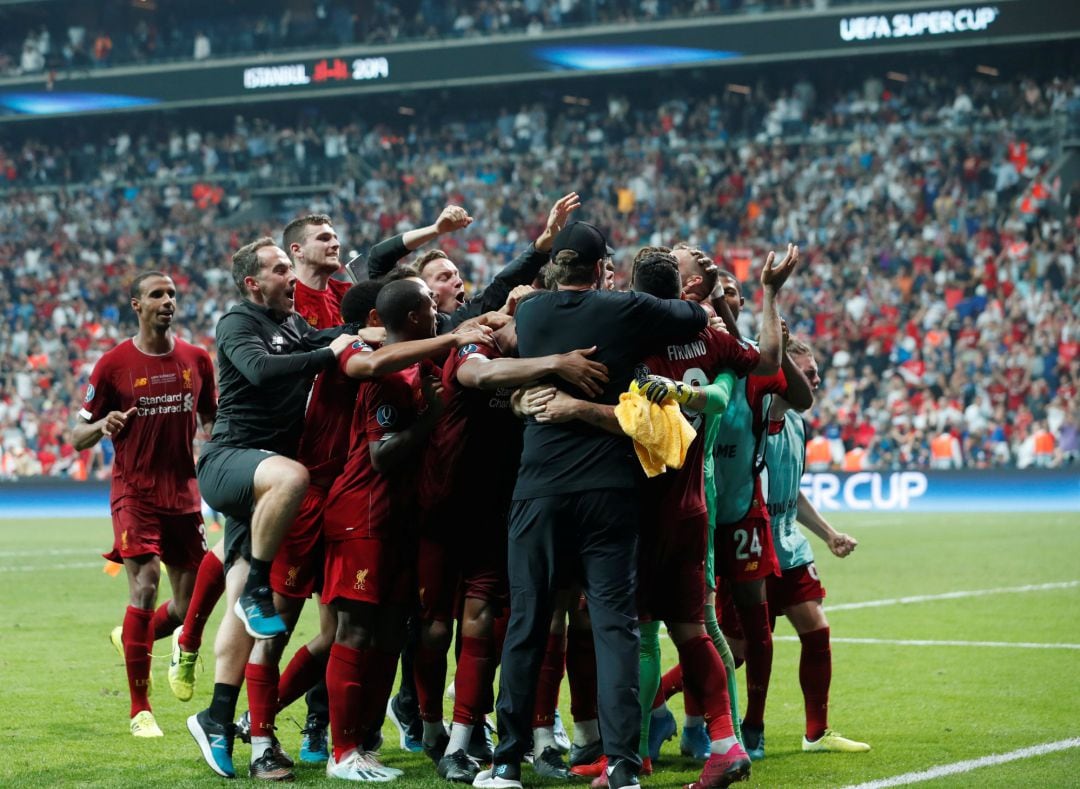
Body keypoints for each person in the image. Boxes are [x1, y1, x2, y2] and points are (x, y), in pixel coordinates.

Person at [476, 221, 709, 789]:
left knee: (528, 622)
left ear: (555, 265)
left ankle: (506, 761)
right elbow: (693, 317)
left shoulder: (530, 316)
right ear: (603, 264)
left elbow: (497, 344)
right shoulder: (626, 308)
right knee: (614, 628)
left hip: (539, 490)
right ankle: (623, 767)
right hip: (610, 490)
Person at [413, 304, 609, 783]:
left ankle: (472, 741)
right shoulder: (475, 345)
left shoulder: (534, 354)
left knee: (498, 620)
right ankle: (428, 726)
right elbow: (482, 375)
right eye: (524, 320)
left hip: (498, 513)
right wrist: (555, 364)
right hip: (442, 513)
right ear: (500, 321)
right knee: (435, 629)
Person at [186, 238, 357, 780]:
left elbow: (329, 336)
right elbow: (260, 372)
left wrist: (361, 336)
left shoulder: (293, 325)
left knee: (240, 608)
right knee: (295, 476)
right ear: (253, 283)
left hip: (264, 482)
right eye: (280, 268)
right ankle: (260, 580)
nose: (291, 276)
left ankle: (216, 716)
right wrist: (332, 353)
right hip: (231, 461)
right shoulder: (237, 322)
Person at [321, 278, 456, 781]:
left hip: (399, 521)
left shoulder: (418, 368)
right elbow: (381, 455)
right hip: (365, 514)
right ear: (417, 316)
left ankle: (364, 743)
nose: (439, 314)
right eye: (430, 306)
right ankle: (342, 752)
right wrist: (432, 420)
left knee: (388, 635)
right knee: (356, 631)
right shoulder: (387, 376)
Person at [75, 271, 217, 739]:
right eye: (157, 294)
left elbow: (213, 420)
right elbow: (78, 436)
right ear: (136, 304)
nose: (168, 301)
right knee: (144, 585)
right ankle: (141, 710)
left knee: (188, 602)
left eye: (173, 294)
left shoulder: (197, 359)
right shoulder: (113, 364)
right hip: (134, 491)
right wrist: (104, 424)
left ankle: (131, 635)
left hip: (183, 494)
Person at [762, 339, 870, 756]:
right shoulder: (756, 420)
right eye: (807, 373)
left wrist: (828, 535)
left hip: (790, 545)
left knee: (817, 629)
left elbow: (793, 490)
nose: (816, 380)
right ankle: (655, 704)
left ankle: (816, 733)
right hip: (753, 546)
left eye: (816, 372)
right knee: (734, 652)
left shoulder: (796, 424)